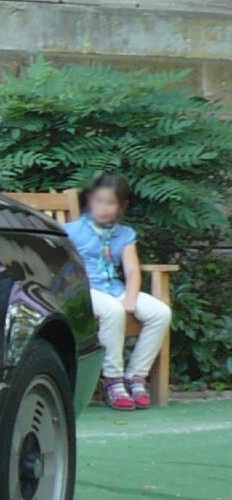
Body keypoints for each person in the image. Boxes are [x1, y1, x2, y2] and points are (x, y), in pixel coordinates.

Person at [65, 173, 174, 410]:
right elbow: (62, 267)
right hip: (85, 290)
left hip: (114, 289)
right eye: (98, 201)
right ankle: (113, 378)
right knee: (113, 311)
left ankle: (136, 375)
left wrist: (131, 298)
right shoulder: (72, 231)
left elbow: (133, 271)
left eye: (110, 203)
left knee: (161, 312)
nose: (102, 208)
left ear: (122, 206)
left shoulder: (124, 235)